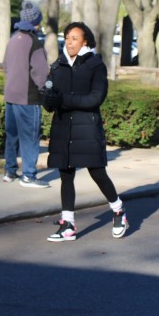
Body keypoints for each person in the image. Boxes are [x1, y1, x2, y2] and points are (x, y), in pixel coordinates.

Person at [42, 22, 128, 242]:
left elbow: (95, 99)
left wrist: (64, 100)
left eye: (74, 38)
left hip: (87, 128)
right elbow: (51, 101)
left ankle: (118, 210)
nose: (69, 42)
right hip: (63, 127)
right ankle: (68, 224)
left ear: (85, 41)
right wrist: (48, 100)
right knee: (65, 174)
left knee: (97, 172)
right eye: (67, 38)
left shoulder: (95, 65)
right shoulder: (58, 65)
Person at [2, 1, 50, 188]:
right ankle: (29, 175)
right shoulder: (35, 43)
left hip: (10, 95)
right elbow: (40, 74)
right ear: (36, 22)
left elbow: (6, 66)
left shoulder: (13, 40)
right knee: (30, 137)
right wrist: (47, 88)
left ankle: (10, 171)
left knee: (12, 135)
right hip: (28, 97)